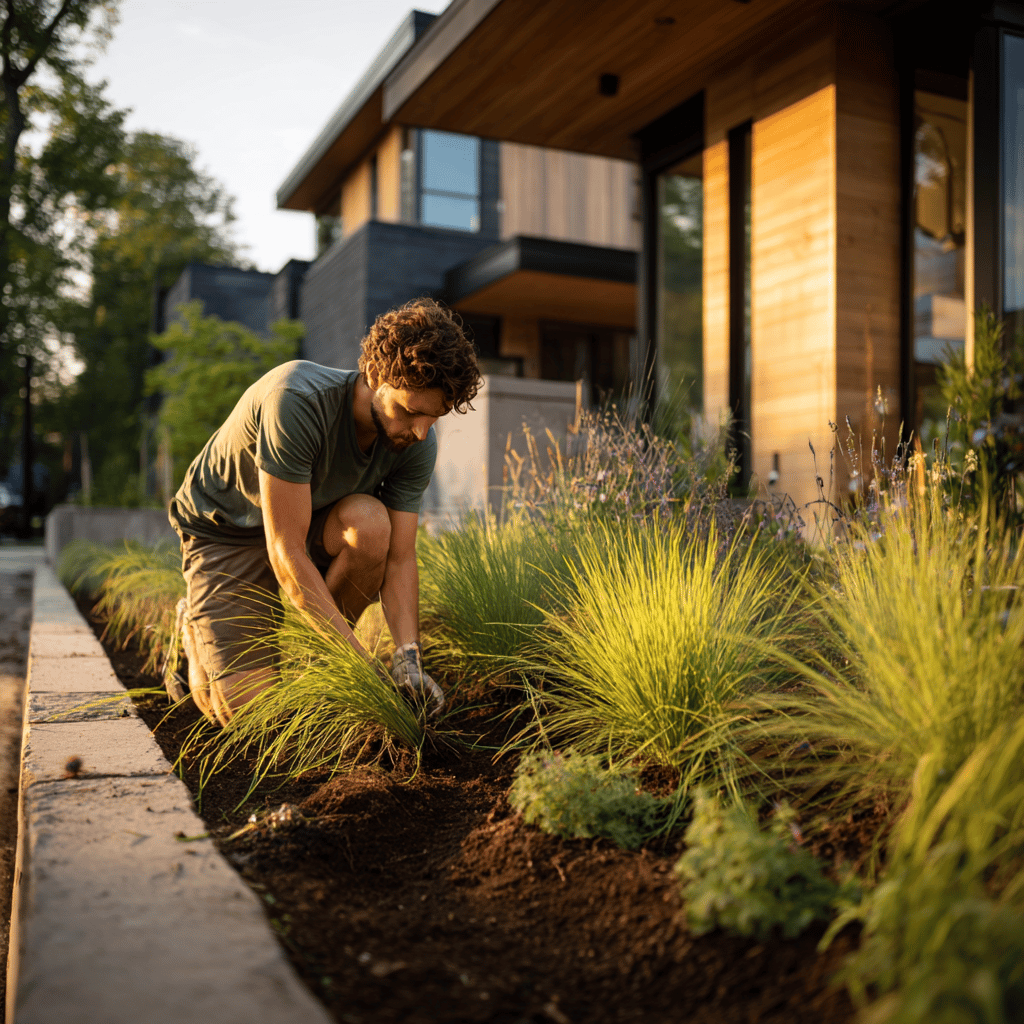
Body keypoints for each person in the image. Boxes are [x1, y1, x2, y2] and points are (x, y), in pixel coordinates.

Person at [165, 298, 481, 726]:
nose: (421, 431)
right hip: (227, 528)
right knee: (249, 717)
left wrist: (408, 659)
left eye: (434, 417)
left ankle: (320, 665)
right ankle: (194, 631)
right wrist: (360, 665)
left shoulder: (417, 441)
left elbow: (400, 557)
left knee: (371, 525)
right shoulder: (296, 400)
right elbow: (286, 552)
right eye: (410, 411)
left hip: (311, 516)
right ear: (374, 376)